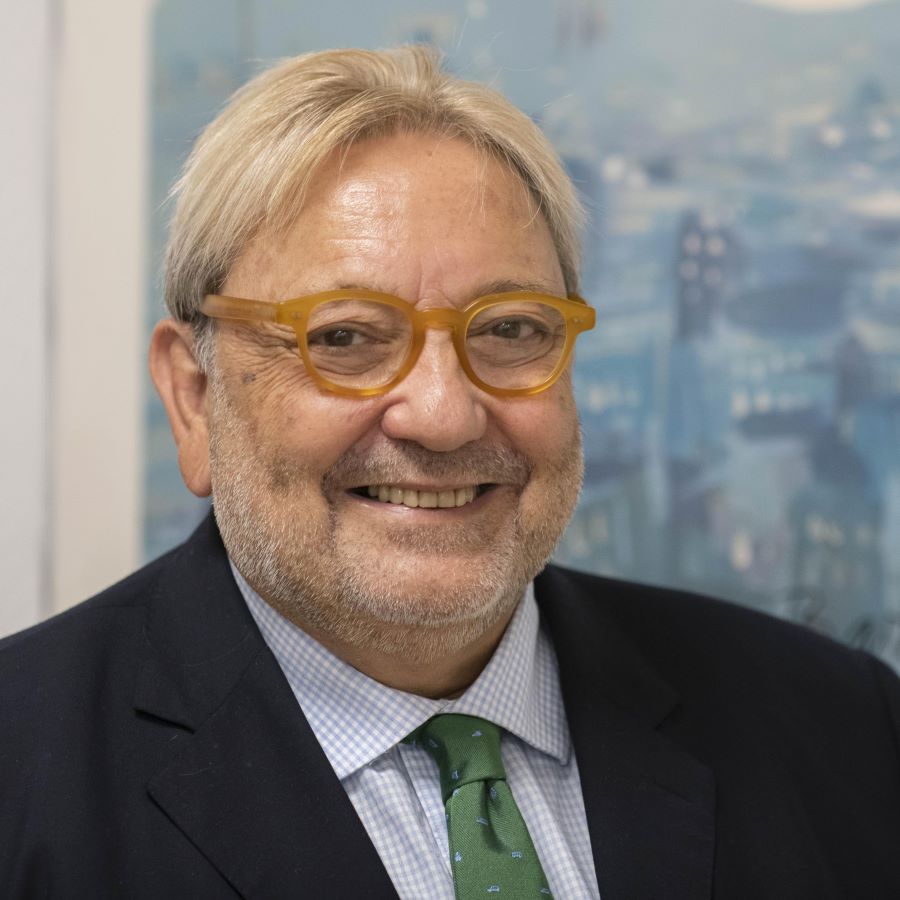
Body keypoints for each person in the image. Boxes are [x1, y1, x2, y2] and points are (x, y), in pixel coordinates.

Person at [1, 46, 899, 900]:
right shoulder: (23, 772)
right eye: (344, 337)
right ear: (195, 399)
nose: (442, 415)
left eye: (510, 330)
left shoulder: (841, 726)